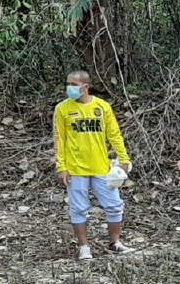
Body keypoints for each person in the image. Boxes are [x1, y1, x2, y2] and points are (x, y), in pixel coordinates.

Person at [53, 70, 133, 260]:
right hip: (75, 168)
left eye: (74, 84)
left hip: (101, 167)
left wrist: (123, 158)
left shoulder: (102, 107)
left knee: (114, 205)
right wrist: (61, 166)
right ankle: (84, 248)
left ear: (86, 87)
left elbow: (114, 134)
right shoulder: (62, 109)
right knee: (79, 208)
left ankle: (115, 242)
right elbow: (59, 139)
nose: (69, 88)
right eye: (68, 84)